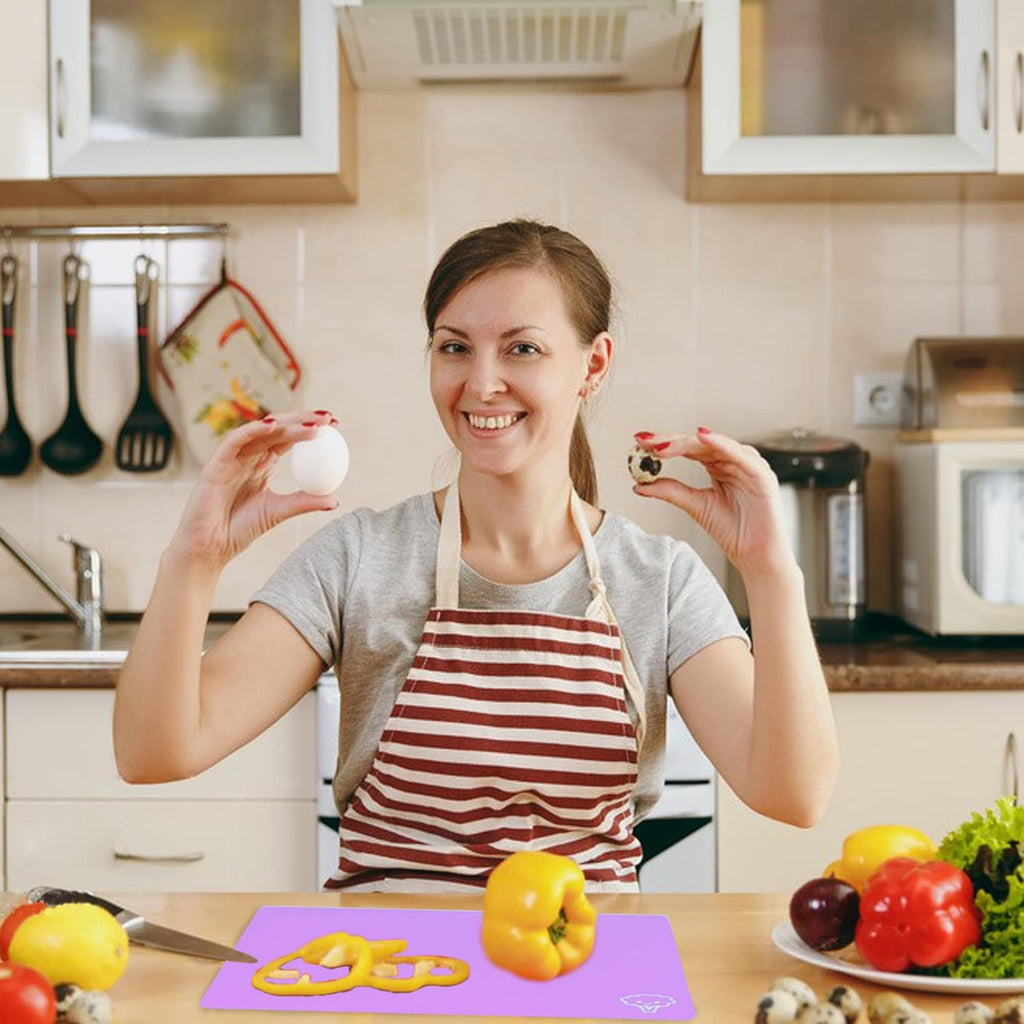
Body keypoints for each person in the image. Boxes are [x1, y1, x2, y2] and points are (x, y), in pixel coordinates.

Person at [114, 219, 839, 893]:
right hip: (393, 963)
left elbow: (794, 795)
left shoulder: (661, 581)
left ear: (593, 365)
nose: (481, 383)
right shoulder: (358, 558)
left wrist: (771, 573)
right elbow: (155, 754)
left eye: (522, 348)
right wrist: (193, 560)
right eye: (454, 347)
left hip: (583, 961)